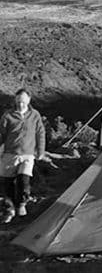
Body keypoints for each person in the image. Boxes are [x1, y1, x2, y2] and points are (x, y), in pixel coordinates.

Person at [0, 89, 46, 223]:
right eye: (19, 101)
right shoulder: (8, 116)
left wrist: (40, 150)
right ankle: (10, 208)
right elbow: (1, 134)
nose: (21, 104)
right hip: (10, 154)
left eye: (23, 101)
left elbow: (40, 133)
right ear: (15, 101)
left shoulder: (34, 115)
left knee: (23, 180)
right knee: (8, 183)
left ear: (29, 101)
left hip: (28, 154)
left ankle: (21, 205)